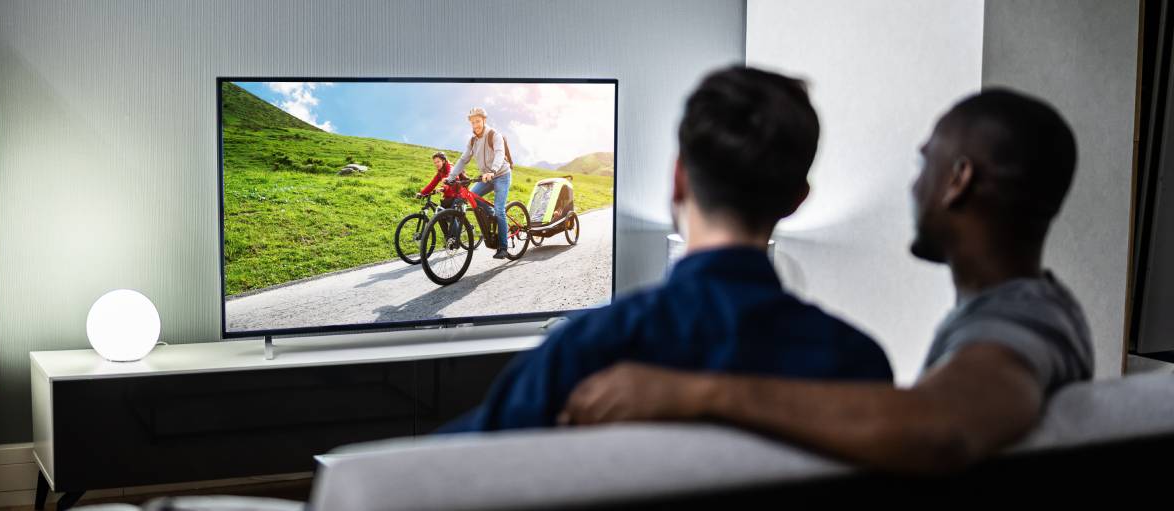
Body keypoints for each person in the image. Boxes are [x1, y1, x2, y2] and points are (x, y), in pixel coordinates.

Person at [559, 89, 1093, 475]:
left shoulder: (1024, 320)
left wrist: (694, 392)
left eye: (924, 161)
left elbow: (941, 428)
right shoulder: (872, 359)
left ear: (959, 182)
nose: (913, 183)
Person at [437, 66, 894, 433]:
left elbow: (435, 471)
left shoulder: (584, 350)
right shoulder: (859, 368)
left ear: (678, 179)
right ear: (798, 199)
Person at [450, 107, 515, 259]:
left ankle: (503, 247)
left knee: (500, 210)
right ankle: (490, 213)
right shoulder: (473, 140)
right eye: (473, 122)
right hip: (485, 176)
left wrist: (492, 171)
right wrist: (451, 177)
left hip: (501, 175)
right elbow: (463, 159)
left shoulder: (494, 135)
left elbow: (500, 153)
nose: (475, 125)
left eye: (478, 121)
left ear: (484, 120)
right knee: (471, 196)